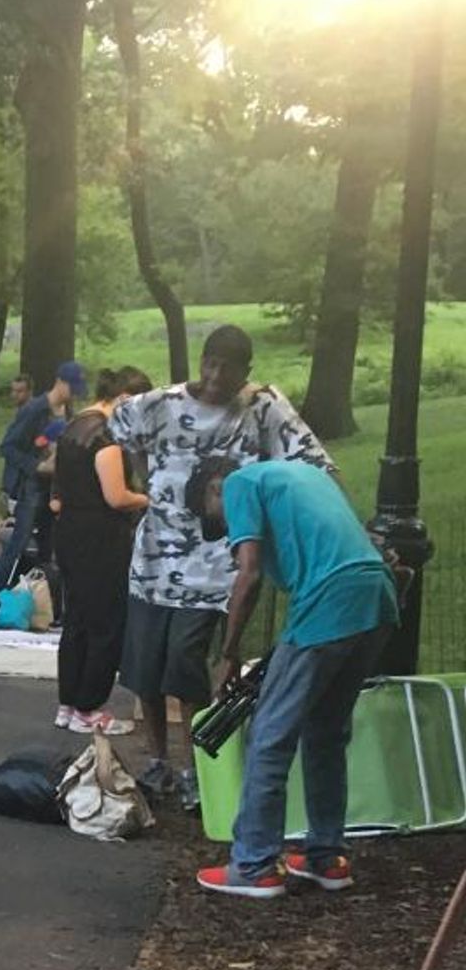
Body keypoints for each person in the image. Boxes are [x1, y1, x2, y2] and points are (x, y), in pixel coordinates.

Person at [109, 323, 332, 810]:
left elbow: (315, 464)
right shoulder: (159, 404)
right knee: (145, 670)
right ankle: (158, 762)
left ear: (245, 373)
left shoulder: (263, 408)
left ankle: (194, 769)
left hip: (214, 564)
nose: (215, 378)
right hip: (153, 559)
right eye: (209, 365)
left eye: (228, 370)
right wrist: (146, 475)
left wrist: (269, 508)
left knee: (185, 664)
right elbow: (117, 428)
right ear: (200, 361)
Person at [186, 455, 398, 900]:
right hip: (376, 598)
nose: (228, 532)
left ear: (213, 488)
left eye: (219, 522)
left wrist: (228, 653)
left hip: (329, 603)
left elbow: (250, 573)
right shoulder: (302, 474)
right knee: (326, 732)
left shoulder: (240, 483)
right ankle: (327, 857)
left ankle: (255, 865)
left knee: (268, 734)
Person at [50, 367, 152, 735]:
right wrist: (149, 499)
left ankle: (68, 703)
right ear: (125, 399)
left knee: (76, 619)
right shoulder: (106, 439)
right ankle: (91, 706)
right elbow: (116, 496)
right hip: (100, 538)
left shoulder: (73, 428)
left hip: (69, 532)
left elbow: (56, 500)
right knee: (106, 623)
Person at [0, 362, 88, 593]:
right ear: (60, 382)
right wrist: (37, 466)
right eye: (72, 387)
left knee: (48, 546)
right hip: (32, 487)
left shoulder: (68, 413)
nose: (74, 393)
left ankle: (43, 596)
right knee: (20, 542)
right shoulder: (34, 409)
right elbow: (8, 447)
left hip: (54, 488)